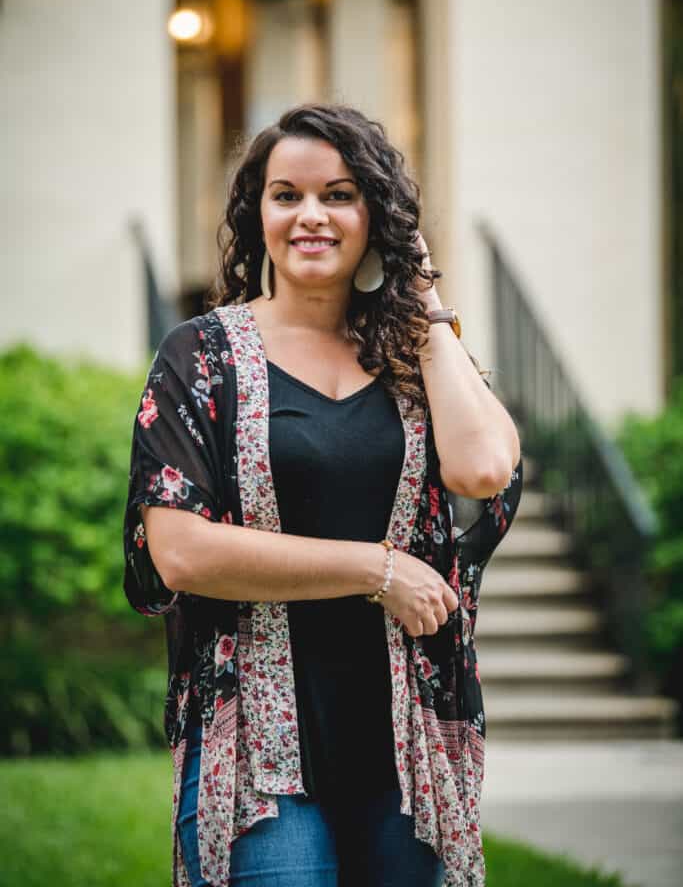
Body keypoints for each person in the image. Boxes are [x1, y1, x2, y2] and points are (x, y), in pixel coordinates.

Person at [122, 102, 523, 887]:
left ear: (377, 215)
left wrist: (423, 296)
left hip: (408, 744)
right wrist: (379, 569)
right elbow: (180, 551)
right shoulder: (200, 356)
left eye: (340, 195)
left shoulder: (416, 359)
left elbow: (481, 472)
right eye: (287, 195)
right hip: (257, 752)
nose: (312, 215)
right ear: (257, 214)